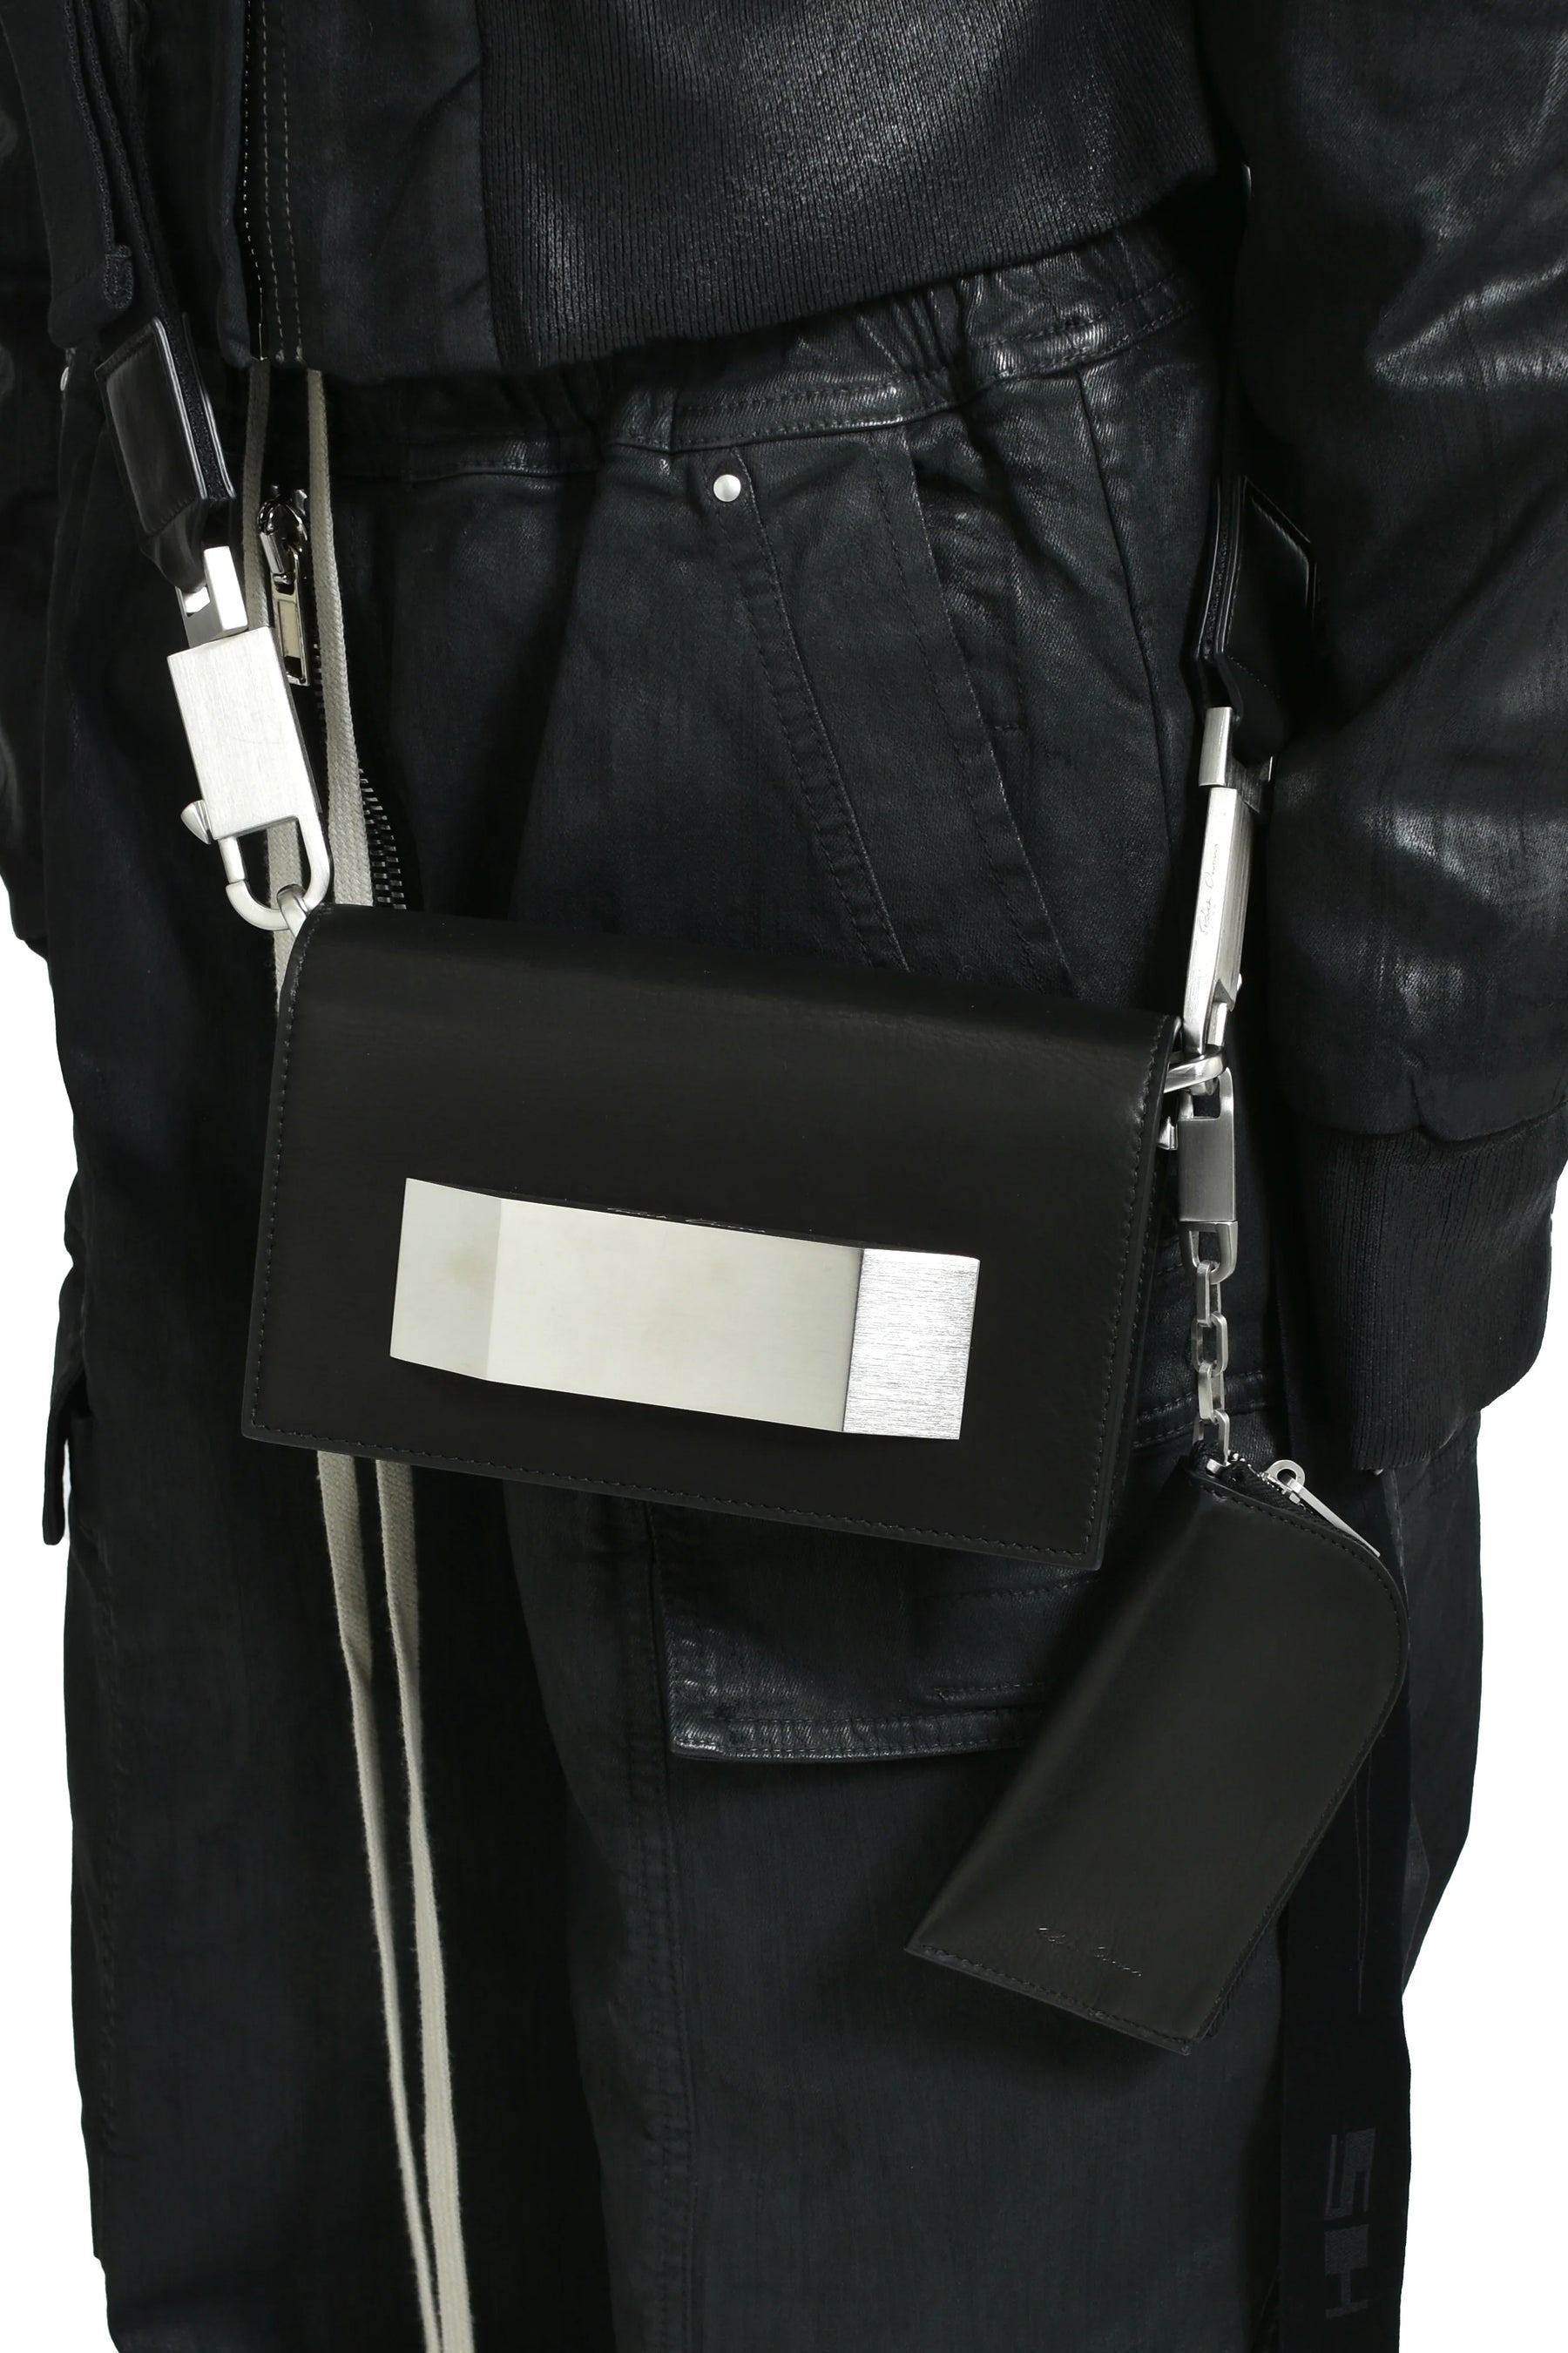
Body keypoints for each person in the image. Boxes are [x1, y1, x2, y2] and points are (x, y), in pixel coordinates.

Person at [0, 3, 1562, 2347]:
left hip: (872, 600)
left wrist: (1415, 1103)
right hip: (202, 555)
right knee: (315, 2166)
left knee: (925, 2187)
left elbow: (1489, 182)